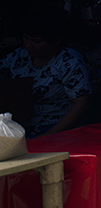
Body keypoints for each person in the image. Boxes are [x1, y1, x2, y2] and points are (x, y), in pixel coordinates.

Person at [0, 9, 92, 137]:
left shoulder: (69, 62)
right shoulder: (19, 55)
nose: (28, 45)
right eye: (26, 38)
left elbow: (82, 103)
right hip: (20, 126)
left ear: (55, 41)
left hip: (56, 127)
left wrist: (50, 134)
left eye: (36, 41)